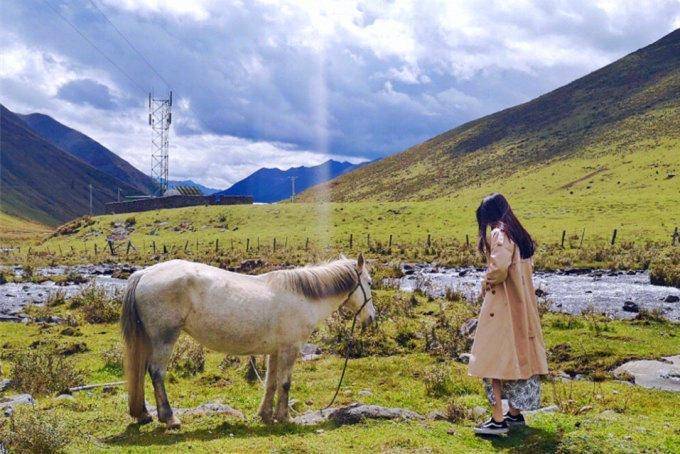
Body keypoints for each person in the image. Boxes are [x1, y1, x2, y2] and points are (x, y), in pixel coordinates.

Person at [468, 193, 549, 436]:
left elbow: (500, 269)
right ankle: (514, 415)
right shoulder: (518, 235)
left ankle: (497, 419)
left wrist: (486, 281)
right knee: (515, 356)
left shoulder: (499, 234)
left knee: (491, 358)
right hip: (521, 307)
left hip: (502, 307)